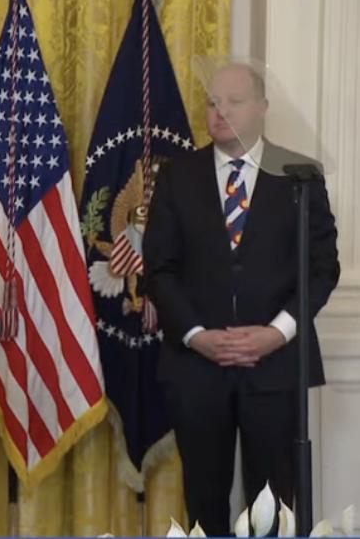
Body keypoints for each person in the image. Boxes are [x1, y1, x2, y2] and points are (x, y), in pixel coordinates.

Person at [144, 63, 340, 535]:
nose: (220, 112)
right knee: (204, 500)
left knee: (273, 505)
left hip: (275, 368)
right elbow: (160, 269)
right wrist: (196, 335)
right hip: (197, 368)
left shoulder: (300, 176)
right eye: (212, 102)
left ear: (262, 108)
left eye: (233, 102)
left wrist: (277, 333)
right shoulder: (176, 177)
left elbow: (321, 268)